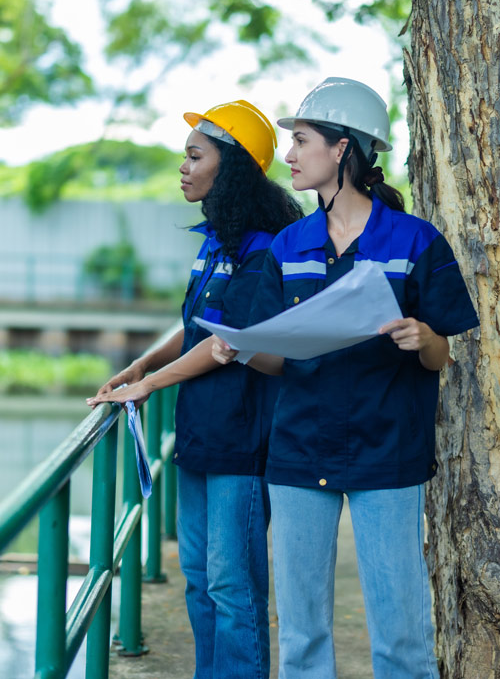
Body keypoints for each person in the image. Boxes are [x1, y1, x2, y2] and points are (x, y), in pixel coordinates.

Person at [212, 77, 480, 679]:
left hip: (389, 452)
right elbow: (274, 355)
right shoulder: (288, 246)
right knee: (302, 635)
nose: (290, 156)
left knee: (402, 635)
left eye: (301, 140)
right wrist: (244, 349)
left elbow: (441, 356)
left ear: (342, 150)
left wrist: (425, 338)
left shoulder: (415, 240)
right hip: (299, 451)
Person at [87, 99, 303, 679]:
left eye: (194, 155)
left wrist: (150, 386)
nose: (183, 166)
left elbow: (229, 341)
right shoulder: (217, 241)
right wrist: (141, 366)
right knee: (201, 582)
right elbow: (197, 326)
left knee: (234, 588)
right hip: (200, 435)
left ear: (230, 166)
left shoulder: (264, 249)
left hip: (242, 439)